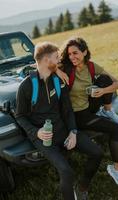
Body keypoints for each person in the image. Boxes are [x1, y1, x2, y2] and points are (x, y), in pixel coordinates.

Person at [15, 42, 103, 200]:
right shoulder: (26, 86)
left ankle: (82, 187)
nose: (59, 61)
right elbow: (20, 116)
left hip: (63, 130)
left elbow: (67, 110)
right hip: (43, 138)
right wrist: (37, 133)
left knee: (97, 152)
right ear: (46, 60)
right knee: (66, 171)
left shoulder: (57, 81)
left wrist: (73, 131)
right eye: (56, 58)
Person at [59, 37, 118, 187]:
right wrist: (57, 69)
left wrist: (102, 91)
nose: (72, 57)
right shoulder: (65, 67)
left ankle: (107, 111)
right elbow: (43, 64)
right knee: (115, 128)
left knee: (104, 79)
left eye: (75, 53)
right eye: (69, 54)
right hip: (76, 115)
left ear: (85, 52)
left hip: (88, 107)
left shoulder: (91, 66)